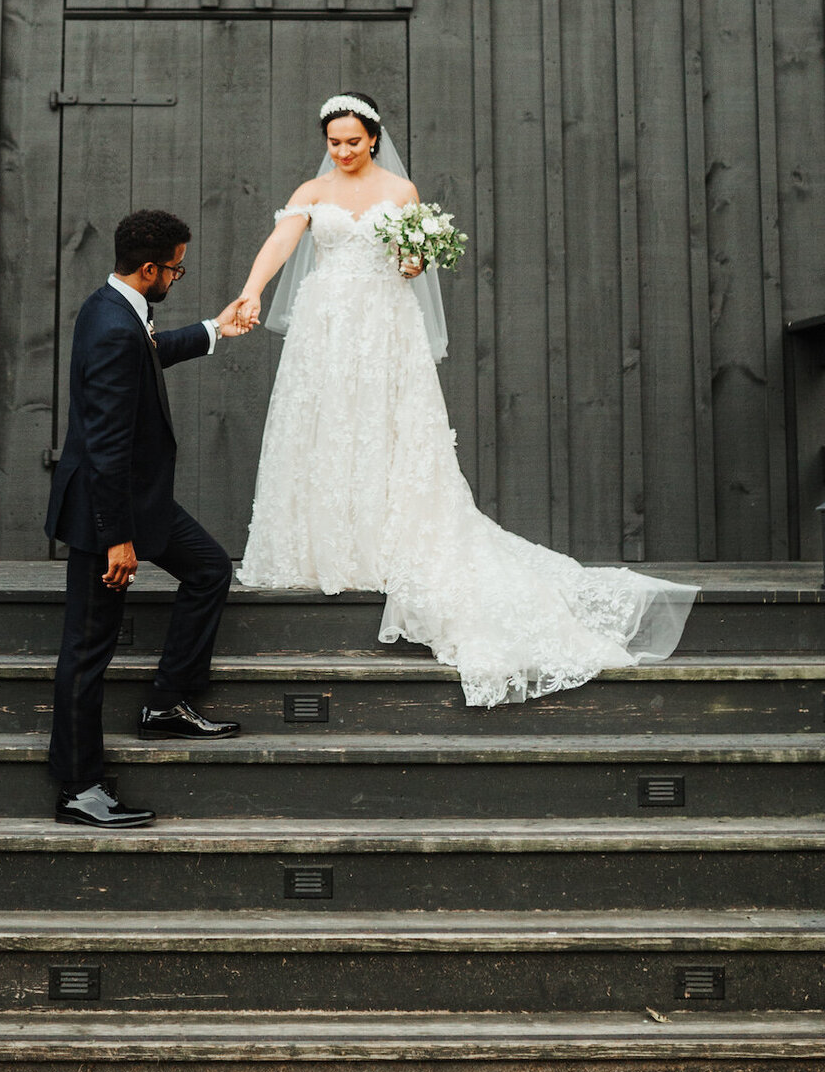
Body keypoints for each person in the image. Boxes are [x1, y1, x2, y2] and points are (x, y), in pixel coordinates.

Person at [233, 94, 698, 708]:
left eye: (352, 140)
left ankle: (381, 543)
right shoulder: (310, 190)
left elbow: (410, 268)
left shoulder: (400, 191)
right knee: (323, 427)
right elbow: (282, 242)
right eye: (333, 142)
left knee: (382, 428)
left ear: (373, 137)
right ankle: (324, 549)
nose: (342, 152)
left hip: (383, 325)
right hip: (325, 325)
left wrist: (414, 254)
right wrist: (250, 292)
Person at [46, 208, 254, 828]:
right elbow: (107, 447)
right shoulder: (114, 326)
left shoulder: (113, 309)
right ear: (149, 268)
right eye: (177, 269)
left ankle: (166, 703)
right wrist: (118, 542)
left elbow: (150, 352)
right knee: (87, 651)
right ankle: (79, 788)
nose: (177, 276)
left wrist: (215, 329)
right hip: (105, 513)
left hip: (138, 500)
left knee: (209, 568)